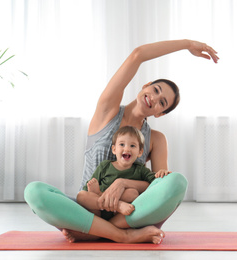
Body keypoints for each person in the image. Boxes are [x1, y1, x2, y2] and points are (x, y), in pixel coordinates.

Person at [24, 39, 218, 244]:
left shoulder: (157, 140)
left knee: (177, 182)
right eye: (156, 90)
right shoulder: (107, 111)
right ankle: (120, 235)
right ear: (146, 86)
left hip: (128, 212)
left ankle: (92, 231)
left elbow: (155, 188)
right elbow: (138, 54)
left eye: (162, 102)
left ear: (160, 114)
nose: (154, 98)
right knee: (34, 192)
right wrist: (187, 44)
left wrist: (122, 182)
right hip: (88, 208)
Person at [77, 126, 171, 221]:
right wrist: (93, 192)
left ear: (140, 152)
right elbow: (88, 188)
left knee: (132, 193)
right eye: (122, 144)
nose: (127, 149)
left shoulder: (140, 169)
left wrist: (162, 172)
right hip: (99, 209)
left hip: (120, 215)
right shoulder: (105, 166)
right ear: (114, 149)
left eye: (132, 146)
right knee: (81, 195)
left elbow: (155, 182)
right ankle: (115, 204)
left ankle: (104, 198)